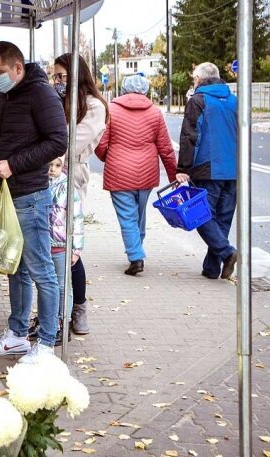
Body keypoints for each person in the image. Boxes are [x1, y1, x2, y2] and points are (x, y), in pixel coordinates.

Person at [0, 41, 68, 362]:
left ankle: (45, 342)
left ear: (18, 68)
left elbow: (58, 140)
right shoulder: (2, 96)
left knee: (41, 269)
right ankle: (16, 334)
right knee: (15, 268)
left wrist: (13, 164)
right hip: (6, 194)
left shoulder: (42, 94)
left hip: (30, 195)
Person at [95, 75, 177, 276]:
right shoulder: (155, 113)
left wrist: (109, 157)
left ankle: (135, 257)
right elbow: (166, 148)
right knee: (139, 214)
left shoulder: (111, 111)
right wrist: (174, 175)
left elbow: (101, 143)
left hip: (119, 172)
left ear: (123, 90)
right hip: (147, 173)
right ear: (145, 91)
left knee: (127, 217)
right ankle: (137, 247)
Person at [53, 53, 109, 335]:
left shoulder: (94, 106)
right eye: (56, 77)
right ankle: (59, 310)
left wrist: (44, 151)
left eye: (63, 77)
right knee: (54, 246)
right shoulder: (60, 101)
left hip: (71, 178)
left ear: (77, 76)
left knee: (69, 247)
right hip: (48, 177)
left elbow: (71, 142)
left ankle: (79, 307)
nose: (58, 82)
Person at [176, 62, 238, 280]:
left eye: (194, 78)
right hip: (233, 170)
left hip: (207, 169)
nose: (193, 81)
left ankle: (227, 252)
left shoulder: (198, 101)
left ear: (199, 79)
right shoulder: (234, 100)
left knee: (199, 215)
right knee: (222, 219)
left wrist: (183, 168)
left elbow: (189, 136)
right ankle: (212, 269)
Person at [45, 156, 83, 344]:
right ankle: (49, 321)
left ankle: (63, 322)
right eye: (50, 165)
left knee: (62, 285)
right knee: (47, 285)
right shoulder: (40, 184)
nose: (52, 169)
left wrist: (76, 248)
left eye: (57, 165)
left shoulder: (68, 188)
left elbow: (76, 218)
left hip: (60, 245)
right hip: (43, 244)